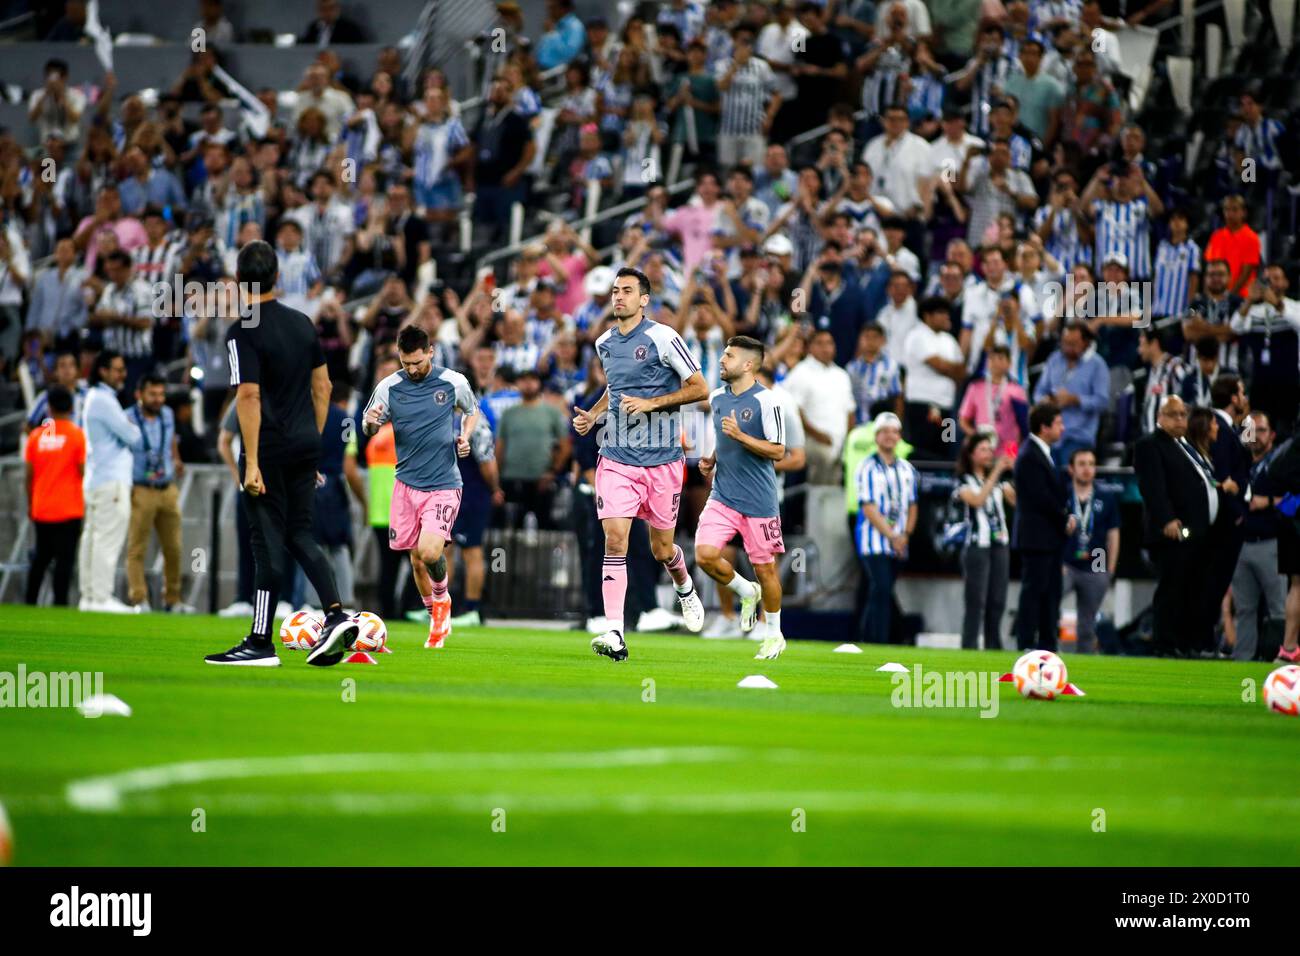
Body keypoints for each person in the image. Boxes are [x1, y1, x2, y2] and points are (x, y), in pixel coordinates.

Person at [205, 240, 360, 666]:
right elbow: (323, 388)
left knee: (266, 544)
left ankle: (260, 643)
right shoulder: (303, 324)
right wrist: (312, 439)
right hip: (305, 443)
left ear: (239, 282)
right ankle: (335, 615)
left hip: (268, 447)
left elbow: (249, 396)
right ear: (277, 278)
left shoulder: (242, 331)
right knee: (300, 535)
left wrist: (251, 461)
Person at [571, 267, 710, 661]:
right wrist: (595, 415)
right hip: (617, 457)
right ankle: (615, 631)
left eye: (627, 291)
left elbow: (699, 388)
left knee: (662, 549)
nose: (619, 296)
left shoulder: (665, 338)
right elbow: (614, 391)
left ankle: (683, 587)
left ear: (644, 299)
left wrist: (651, 403)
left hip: (663, 460)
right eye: (615, 290)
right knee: (616, 539)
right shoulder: (603, 343)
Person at [362, 324, 479, 649]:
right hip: (406, 484)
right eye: (405, 363)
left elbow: (472, 410)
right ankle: (435, 617)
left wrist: (465, 436)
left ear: (430, 352)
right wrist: (371, 423)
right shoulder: (389, 386)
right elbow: (368, 426)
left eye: (417, 362)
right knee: (415, 559)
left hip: (443, 483)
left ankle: (442, 603)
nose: (412, 369)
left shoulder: (453, 381)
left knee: (430, 552)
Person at [695, 336, 789, 660]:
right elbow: (724, 440)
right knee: (705, 555)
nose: (722, 360)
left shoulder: (768, 401)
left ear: (748, 365)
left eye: (729, 356)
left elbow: (778, 450)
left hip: (760, 501)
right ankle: (745, 591)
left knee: (766, 570)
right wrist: (711, 458)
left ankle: (774, 635)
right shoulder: (717, 397)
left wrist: (741, 436)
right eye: (723, 354)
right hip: (723, 495)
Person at [1134, 396, 1223, 656]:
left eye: (1183, 414)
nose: (1180, 420)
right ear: (1159, 417)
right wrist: (1166, 520)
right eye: (1173, 414)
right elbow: (1152, 487)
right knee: (1172, 588)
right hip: (1175, 531)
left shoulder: (1185, 445)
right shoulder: (1150, 445)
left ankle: (1186, 643)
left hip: (1195, 532)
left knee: (1191, 588)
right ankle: (1165, 643)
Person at [79, 350, 142, 613]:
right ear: (103, 371)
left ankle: (90, 597)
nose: (123, 374)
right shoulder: (104, 400)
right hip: (111, 480)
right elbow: (133, 435)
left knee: (92, 539)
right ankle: (102, 598)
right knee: (106, 540)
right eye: (117, 369)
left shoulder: (94, 397)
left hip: (97, 478)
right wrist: (130, 425)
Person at [125, 373, 191, 614]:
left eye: (161, 394)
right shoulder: (127, 418)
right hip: (141, 487)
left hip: (167, 487)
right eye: (152, 394)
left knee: (174, 547)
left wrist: (176, 458)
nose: (158, 399)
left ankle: (172, 599)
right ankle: (139, 599)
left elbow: (171, 438)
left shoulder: (167, 414)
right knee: (137, 547)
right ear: (139, 394)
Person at [1013, 401, 1075, 650]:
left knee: (1050, 594)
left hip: (1049, 537)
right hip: (1037, 537)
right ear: (1044, 427)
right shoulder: (1029, 455)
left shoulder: (1045, 453)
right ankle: (1027, 642)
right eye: (1059, 423)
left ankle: (1048, 644)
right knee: (1034, 592)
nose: (1063, 428)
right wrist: (1064, 518)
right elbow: (1040, 497)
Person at [854, 411, 918, 643]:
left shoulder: (907, 469)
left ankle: (869, 638)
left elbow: (913, 505)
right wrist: (892, 535)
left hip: (899, 541)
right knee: (881, 587)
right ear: (876, 436)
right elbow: (868, 507)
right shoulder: (866, 467)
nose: (890, 436)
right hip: (874, 540)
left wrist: (906, 535)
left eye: (894, 431)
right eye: (885, 431)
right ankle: (877, 640)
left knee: (882, 590)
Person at [953, 431, 1016, 649]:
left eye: (990, 449)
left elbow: (1016, 501)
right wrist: (997, 471)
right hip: (976, 545)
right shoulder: (962, 481)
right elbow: (977, 500)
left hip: (1000, 544)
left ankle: (993, 645)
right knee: (976, 601)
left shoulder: (999, 481)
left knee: (997, 600)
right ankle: (969, 645)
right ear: (970, 454)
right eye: (982, 449)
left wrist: (1014, 471)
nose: (988, 453)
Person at [24, 386, 86, 606]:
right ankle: (59, 604)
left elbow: (28, 475)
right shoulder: (77, 435)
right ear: (71, 407)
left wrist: (31, 503)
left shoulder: (37, 436)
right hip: (69, 508)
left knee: (40, 558)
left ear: (48, 408)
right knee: (64, 561)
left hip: (42, 508)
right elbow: (82, 471)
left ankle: (30, 601)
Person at [1233, 410, 1286, 661]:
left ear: (1272, 435)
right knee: (1244, 609)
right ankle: (1242, 662)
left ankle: (1278, 658)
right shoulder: (1241, 465)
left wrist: (1269, 502)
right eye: (1250, 430)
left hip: (1272, 543)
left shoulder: (1281, 465)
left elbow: (1296, 502)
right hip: (1243, 544)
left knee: (1279, 609)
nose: (1255, 436)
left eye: (1261, 430)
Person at [446, 409, 503, 628]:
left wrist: (494, 487)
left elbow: (487, 462)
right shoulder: (451, 418)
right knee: (446, 548)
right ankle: (440, 607)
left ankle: (471, 609)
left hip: (471, 493)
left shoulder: (476, 422)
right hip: (455, 491)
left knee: (471, 550)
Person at [1060, 447, 1119, 653]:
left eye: (1091, 464)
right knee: (1047, 609)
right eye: (1082, 464)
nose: (1087, 469)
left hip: (1096, 564)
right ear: (1071, 469)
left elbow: (1113, 534)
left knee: (1087, 623)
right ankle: (1046, 657)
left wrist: (1108, 569)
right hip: (1066, 564)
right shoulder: (1062, 494)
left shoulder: (1105, 495)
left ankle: (1085, 664)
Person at [496, 368, 570, 529]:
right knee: (511, 530)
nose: (528, 384)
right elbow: (500, 447)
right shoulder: (509, 414)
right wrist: (497, 480)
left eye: (532, 380)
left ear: (539, 384)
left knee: (546, 529)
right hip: (512, 479)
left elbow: (565, 445)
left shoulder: (552, 413)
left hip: (542, 480)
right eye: (523, 380)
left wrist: (552, 471)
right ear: (517, 384)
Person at [781, 329, 856, 483]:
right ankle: (816, 504)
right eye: (819, 343)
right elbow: (793, 411)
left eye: (829, 343)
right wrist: (817, 435)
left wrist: (848, 440)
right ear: (809, 347)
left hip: (839, 442)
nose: (825, 348)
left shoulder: (842, 375)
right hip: (810, 440)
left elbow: (850, 411)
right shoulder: (800, 372)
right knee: (825, 458)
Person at [1032, 322, 1109, 466]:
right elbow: (1038, 392)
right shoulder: (1054, 359)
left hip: (1078, 438)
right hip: (1051, 437)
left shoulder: (1097, 365)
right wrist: (1047, 400)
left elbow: (1103, 402)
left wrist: (1075, 400)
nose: (1068, 348)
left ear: (1086, 343)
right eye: (1065, 343)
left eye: (1073, 344)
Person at [901, 296, 965, 460]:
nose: (946, 317)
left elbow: (962, 372)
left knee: (946, 446)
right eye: (941, 313)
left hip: (947, 408)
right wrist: (950, 368)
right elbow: (939, 365)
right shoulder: (917, 336)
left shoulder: (950, 340)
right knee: (924, 450)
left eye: (947, 313)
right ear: (927, 316)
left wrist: (949, 368)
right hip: (923, 405)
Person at [957, 344, 1027, 456]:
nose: (995, 362)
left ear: (1009, 363)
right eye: (991, 358)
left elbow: (1023, 424)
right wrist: (976, 435)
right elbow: (963, 419)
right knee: (980, 471)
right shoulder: (976, 387)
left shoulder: (1017, 390)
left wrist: (1016, 447)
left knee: (1008, 472)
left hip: (1010, 447)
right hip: (982, 447)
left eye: (1000, 358)